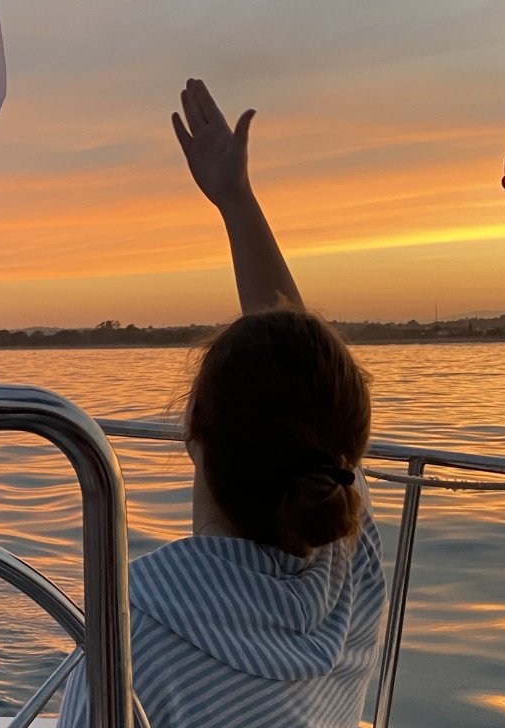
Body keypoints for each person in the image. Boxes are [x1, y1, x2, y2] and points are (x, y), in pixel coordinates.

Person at [56, 79, 385, 728]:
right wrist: (236, 201)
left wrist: (234, 200)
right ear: (338, 452)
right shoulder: (349, 577)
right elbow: (299, 378)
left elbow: (296, 374)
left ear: (194, 436)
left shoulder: (132, 639)